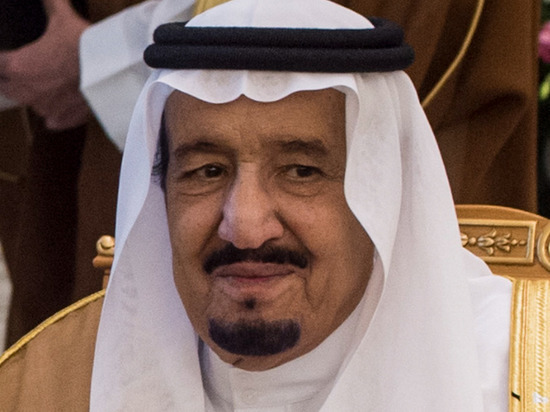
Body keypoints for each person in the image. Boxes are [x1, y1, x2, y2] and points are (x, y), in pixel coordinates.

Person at [0, 1, 512, 410]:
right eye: (207, 171)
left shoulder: (519, 378)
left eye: (301, 172)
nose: (245, 227)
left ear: (385, 195)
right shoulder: (46, 386)